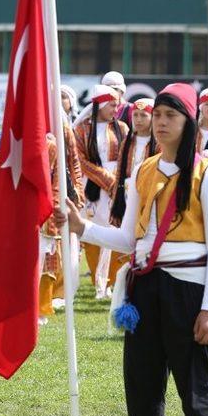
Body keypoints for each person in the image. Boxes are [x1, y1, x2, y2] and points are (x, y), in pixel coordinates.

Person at [58, 82, 208, 416]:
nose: (162, 122)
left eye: (171, 116)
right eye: (158, 115)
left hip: (188, 288)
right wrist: (83, 228)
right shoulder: (143, 172)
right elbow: (127, 236)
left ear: (189, 122)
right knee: (141, 379)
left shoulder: (207, 174)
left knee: (193, 380)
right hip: (144, 286)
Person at [73, 84, 128, 298]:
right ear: (102, 105)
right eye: (112, 105)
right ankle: (98, 281)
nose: (117, 109)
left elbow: (126, 155)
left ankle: (114, 281)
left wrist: (119, 182)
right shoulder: (82, 129)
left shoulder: (122, 128)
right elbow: (79, 159)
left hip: (118, 187)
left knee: (117, 230)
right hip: (93, 187)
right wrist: (107, 179)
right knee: (93, 232)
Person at [39, 123, 84, 322]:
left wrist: (78, 193)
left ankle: (56, 295)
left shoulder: (62, 126)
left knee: (55, 249)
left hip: (57, 194)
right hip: (30, 201)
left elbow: (74, 160)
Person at [110, 98, 157, 225]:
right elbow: (119, 172)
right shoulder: (128, 142)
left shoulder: (158, 144)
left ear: (153, 117)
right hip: (126, 194)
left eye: (143, 115)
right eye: (135, 115)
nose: (138, 119)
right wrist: (115, 201)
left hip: (148, 195)